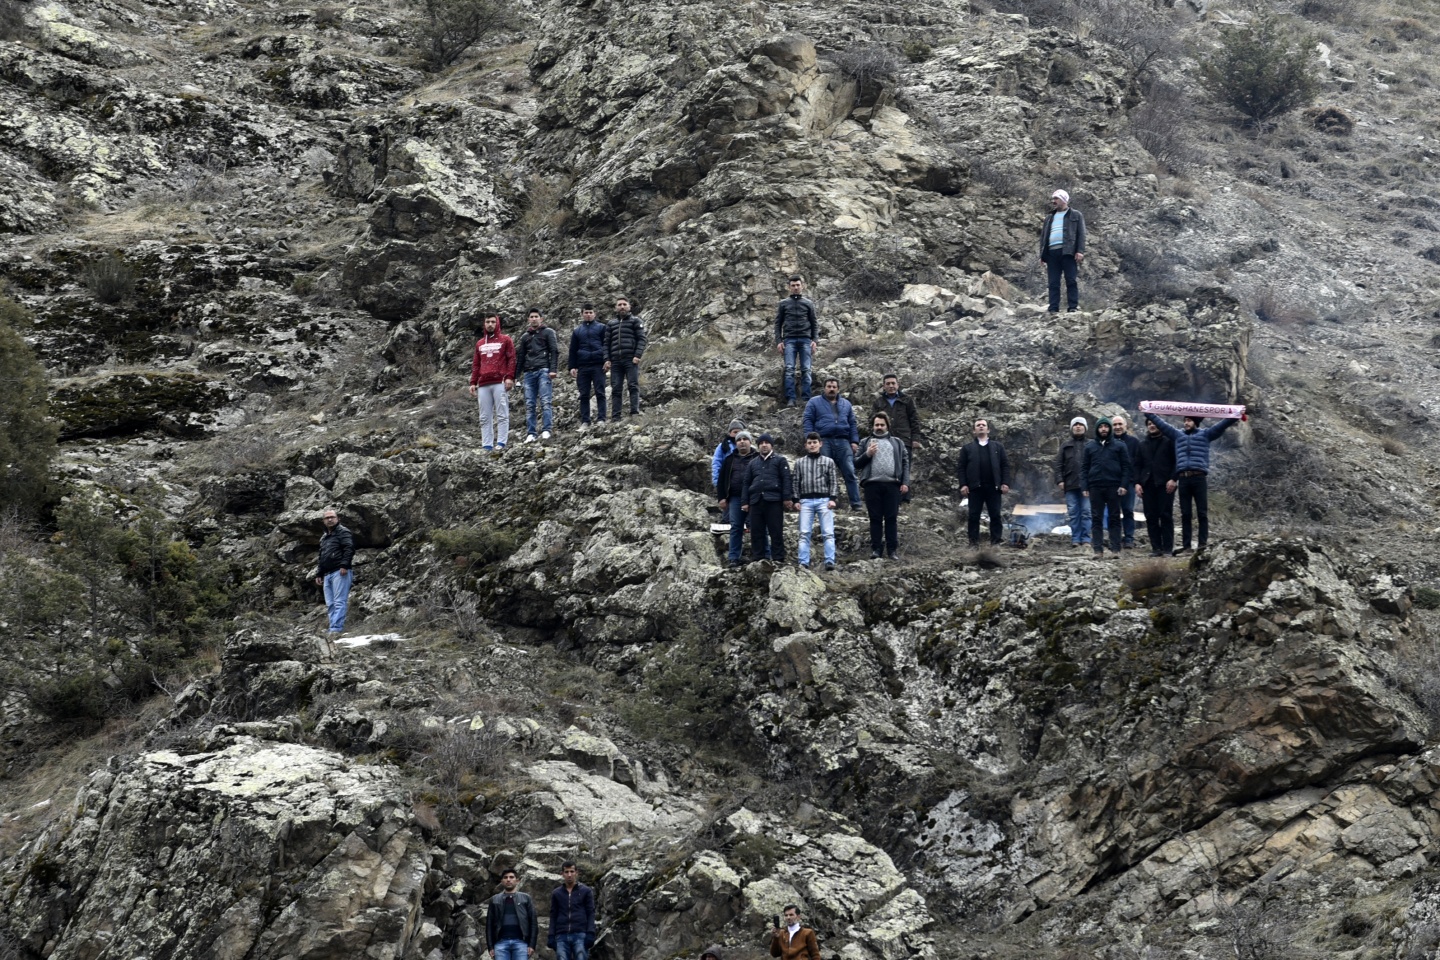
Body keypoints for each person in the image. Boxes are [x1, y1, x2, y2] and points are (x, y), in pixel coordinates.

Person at [1144, 410, 1241, 554]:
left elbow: (1221, 425)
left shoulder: (1206, 434)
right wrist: (1148, 412)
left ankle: (1202, 545)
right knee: (1185, 514)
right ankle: (1187, 546)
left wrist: (1236, 414)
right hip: (1183, 478)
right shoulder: (1177, 435)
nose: (1186, 423)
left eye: (1189, 420)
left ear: (1195, 422)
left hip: (1199, 478)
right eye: (1185, 420)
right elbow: (1162, 425)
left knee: (1202, 513)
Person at [855, 411, 909, 559]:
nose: (879, 427)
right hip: (872, 485)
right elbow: (856, 463)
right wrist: (867, 454)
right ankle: (876, 550)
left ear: (887, 426)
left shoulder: (897, 442)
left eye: (882, 425)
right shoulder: (865, 442)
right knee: (875, 518)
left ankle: (892, 551)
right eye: (876, 425)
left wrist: (905, 482)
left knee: (891, 518)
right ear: (873, 426)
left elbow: (905, 463)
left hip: (892, 485)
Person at [802, 378, 861, 510]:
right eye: (829, 386)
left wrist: (854, 441)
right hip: (824, 441)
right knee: (824, 473)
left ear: (838, 389)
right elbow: (808, 421)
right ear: (824, 388)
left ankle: (856, 504)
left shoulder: (846, 404)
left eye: (834, 387)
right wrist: (810, 440)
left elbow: (852, 423)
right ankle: (825, 503)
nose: (831, 389)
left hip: (843, 441)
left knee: (850, 472)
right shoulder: (814, 402)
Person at [957, 418, 1011, 548]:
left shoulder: (998, 447)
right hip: (975, 487)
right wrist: (963, 484)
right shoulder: (967, 448)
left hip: (994, 487)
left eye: (983, 425)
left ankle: (996, 543)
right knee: (973, 516)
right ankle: (973, 543)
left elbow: (1005, 465)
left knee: (995, 515)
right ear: (974, 430)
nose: (981, 426)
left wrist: (1005, 482)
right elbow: (961, 468)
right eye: (978, 425)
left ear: (988, 429)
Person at [1083, 417, 1132, 557]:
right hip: (1095, 486)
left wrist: (1123, 485)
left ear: (1109, 428)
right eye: (1101, 427)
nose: (1103, 429)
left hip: (1113, 486)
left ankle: (1116, 549)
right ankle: (1098, 550)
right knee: (1096, 518)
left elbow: (1126, 467)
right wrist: (1085, 486)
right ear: (1097, 429)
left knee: (1114, 517)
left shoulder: (1120, 445)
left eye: (1106, 426)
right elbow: (1084, 468)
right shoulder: (1090, 446)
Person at [741, 433, 794, 563]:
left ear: (772, 445)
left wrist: (787, 497)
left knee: (776, 531)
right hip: (756, 501)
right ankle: (758, 559)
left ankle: (778, 559)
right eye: (761, 443)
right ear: (758, 446)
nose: (764, 445)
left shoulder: (780, 460)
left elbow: (786, 479)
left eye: (767, 443)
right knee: (756, 532)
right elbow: (746, 483)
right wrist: (745, 501)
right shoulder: (752, 463)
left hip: (774, 501)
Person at [872, 374, 924, 502]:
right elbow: (873, 421)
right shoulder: (878, 402)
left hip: (904, 439)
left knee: (905, 466)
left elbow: (914, 420)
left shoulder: (907, 400)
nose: (891, 386)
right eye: (888, 384)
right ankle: (892, 496)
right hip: (885, 440)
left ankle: (905, 497)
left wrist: (915, 438)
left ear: (898, 385)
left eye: (893, 383)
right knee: (889, 467)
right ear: (883, 386)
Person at [468, 313, 515, 452]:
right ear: (484, 324)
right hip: (483, 383)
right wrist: (473, 382)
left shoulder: (505, 340)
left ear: (497, 323)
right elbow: (476, 364)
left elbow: (511, 359)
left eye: (493, 322)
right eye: (487, 321)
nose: (490, 324)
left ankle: (501, 443)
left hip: (500, 382)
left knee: (502, 414)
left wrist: (509, 377)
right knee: (484, 416)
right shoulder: (480, 343)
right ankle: (487, 445)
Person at [793, 432, 839, 571]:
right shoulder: (799, 463)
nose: (812, 445)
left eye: (815, 442)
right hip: (805, 501)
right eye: (809, 443)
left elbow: (833, 481)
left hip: (824, 500)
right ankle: (803, 562)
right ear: (806, 445)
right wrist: (796, 500)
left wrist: (832, 498)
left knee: (828, 532)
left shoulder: (828, 461)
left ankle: (829, 561)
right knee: (804, 533)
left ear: (820, 444)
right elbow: (795, 482)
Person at [1039, 189, 1086, 313]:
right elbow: (1043, 237)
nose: (1053, 201)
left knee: (1071, 280)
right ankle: (1053, 308)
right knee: (1053, 282)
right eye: (1053, 198)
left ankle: (1073, 307)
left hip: (1068, 252)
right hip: (1051, 254)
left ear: (1064, 200)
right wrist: (1042, 255)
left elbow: (1081, 234)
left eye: (1056, 198)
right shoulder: (1049, 217)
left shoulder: (1076, 215)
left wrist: (1080, 251)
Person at [774, 276, 818, 407]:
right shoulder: (783, 304)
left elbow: (814, 323)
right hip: (789, 340)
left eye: (798, 285)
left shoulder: (808, 303)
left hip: (805, 339)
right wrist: (779, 341)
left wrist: (815, 340)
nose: (796, 287)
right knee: (789, 369)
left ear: (802, 286)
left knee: (806, 369)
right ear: (789, 287)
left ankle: (806, 399)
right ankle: (791, 399)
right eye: (793, 285)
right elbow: (778, 324)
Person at [516, 308, 558, 443]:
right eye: (531, 317)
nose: (534, 319)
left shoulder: (549, 332)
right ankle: (531, 433)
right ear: (528, 319)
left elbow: (554, 351)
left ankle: (546, 430)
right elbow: (521, 357)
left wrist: (553, 369)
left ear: (541, 318)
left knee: (545, 401)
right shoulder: (525, 337)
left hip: (543, 370)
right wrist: (516, 375)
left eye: (536, 316)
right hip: (528, 372)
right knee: (530, 404)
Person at [717, 431, 758, 568]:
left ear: (750, 442)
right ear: (736, 443)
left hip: (754, 497)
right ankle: (734, 558)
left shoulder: (758, 458)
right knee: (736, 527)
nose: (742, 441)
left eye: (745, 439)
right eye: (739, 439)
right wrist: (722, 498)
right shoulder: (729, 459)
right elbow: (721, 480)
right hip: (735, 498)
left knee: (757, 527)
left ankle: (759, 556)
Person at [1136, 417, 1176, 557]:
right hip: (1147, 485)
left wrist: (1173, 479)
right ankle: (1156, 548)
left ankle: (1168, 548)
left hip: (1166, 484)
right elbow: (1137, 465)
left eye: (1154, 423)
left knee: (1166, 515)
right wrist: (1137, 483)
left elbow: (1176, 462)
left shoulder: (1170, 442)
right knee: (1151, 516)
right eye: (1149, 424)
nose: (1152, 426)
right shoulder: (1142, 444)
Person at [604, 297, 647, 419]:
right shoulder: (611, 324)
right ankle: (616, 417)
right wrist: (607, 359)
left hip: (630, 359)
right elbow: (606, 343)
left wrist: (637, 355)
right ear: (615, 308)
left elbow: (642, 339)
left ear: (629, 306)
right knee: (616, 388)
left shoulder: (636, 321)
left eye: (624, 304)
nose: (622, 307)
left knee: (633, 385)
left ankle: (634, 413)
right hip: (615, 361)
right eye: (619, 305)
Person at [314, 508, 354, 637]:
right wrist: (319, 573)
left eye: (332, 517)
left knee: (339, 601)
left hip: (340, 572)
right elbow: (322, 556)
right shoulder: (324, 537)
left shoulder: (343, 532)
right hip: (327, 574)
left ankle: (336, 629)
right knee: (330, 603)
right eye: (327, 518)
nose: (330, 519)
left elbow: (349, 548)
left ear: (338, 519)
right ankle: (333, 627)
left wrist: (344, 565)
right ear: (323, 521)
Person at [567, 304, 608, 431]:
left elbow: (606, 345)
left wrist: (607, 360)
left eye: (590, 312)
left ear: (594, 314)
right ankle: (585, 421)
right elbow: (573, 350)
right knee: (584, 394)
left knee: (600, 392)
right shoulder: (577, 331)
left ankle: (601, 419)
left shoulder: (602, 328)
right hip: (583, 366)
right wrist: (572, 366)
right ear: (582, 314)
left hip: (598, 365)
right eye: (586, 312)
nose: (588, 315)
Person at [547, 861, 597, 960]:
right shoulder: (556, 893)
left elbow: (590, 913)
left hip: (580, 933)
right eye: (566, 872)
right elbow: (553, 915)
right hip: (561, 935)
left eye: (572, 871)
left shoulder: (586, 891)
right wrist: (551, 935)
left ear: (576, 873)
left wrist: (590, 933)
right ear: (562, 874)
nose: (569, 875)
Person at [1054, 417, 1091, 548]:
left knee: (1086, 512)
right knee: (1074, 513)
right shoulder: (1065, 445)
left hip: (1087, 485)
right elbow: (1058, 464)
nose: (1078, 427)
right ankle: (1076, 539)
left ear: (1085, 428)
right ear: (1072, 428)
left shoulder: (1092, 444)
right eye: (1075, 425)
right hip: (1070, 484)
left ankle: (1086, 539)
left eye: (1081, 424)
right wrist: (1059, 480)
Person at [486, 868, 538, 960]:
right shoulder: (494, 900)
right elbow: (489, 925)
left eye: (511, 877)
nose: (508, 879)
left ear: (517, 881)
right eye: (505, 877)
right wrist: (490, 946)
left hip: (521, 943)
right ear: (502, 881)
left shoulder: (526, 898)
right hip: (500, 943)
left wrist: (532, 945)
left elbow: (533, 922)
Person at [1110, 415, 1142, 548]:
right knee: (1113, 511)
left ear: (1125, 426)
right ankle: (1115, 538)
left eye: (1120, 424)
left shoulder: (1134, 442)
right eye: (1115, 425)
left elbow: (1138, 463)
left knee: (1128, 510)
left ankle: (1129, 538)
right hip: (1111, 482)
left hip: (1128, 482)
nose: (1117, 427)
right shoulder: (1107, 442)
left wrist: (1136, 481)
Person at [710, 418, 748, 490]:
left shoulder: (747, 447)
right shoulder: (723, 446)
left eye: (739, 432)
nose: (737, 434)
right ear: (730, 433)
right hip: (727, 484)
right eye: (735, 432)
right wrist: (717, 483)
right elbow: (716, 464)